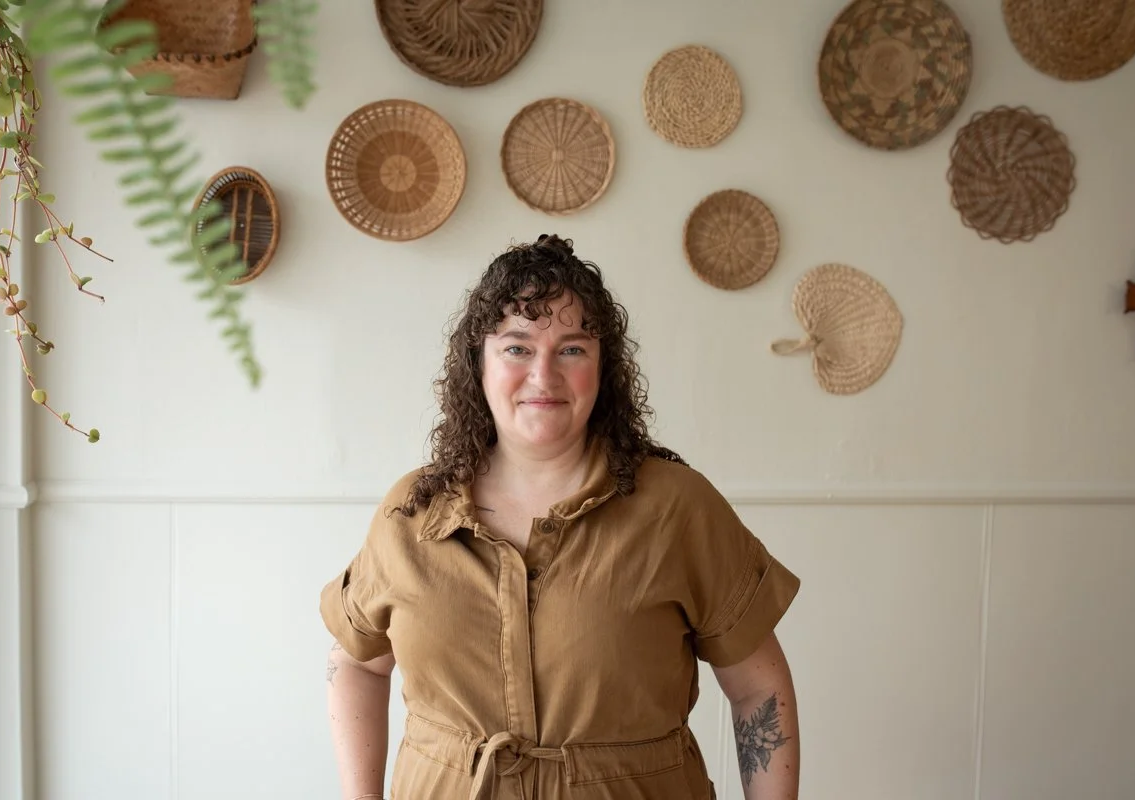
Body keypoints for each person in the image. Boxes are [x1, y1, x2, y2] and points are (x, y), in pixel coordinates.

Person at [320, 234, 802, 800]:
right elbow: (356, 666)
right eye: (517, 347)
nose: (543, 376)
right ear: (479, 362)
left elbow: (758, 690)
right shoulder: (411, 514)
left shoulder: (678, 507)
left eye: (572, 349)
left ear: (603, 369)